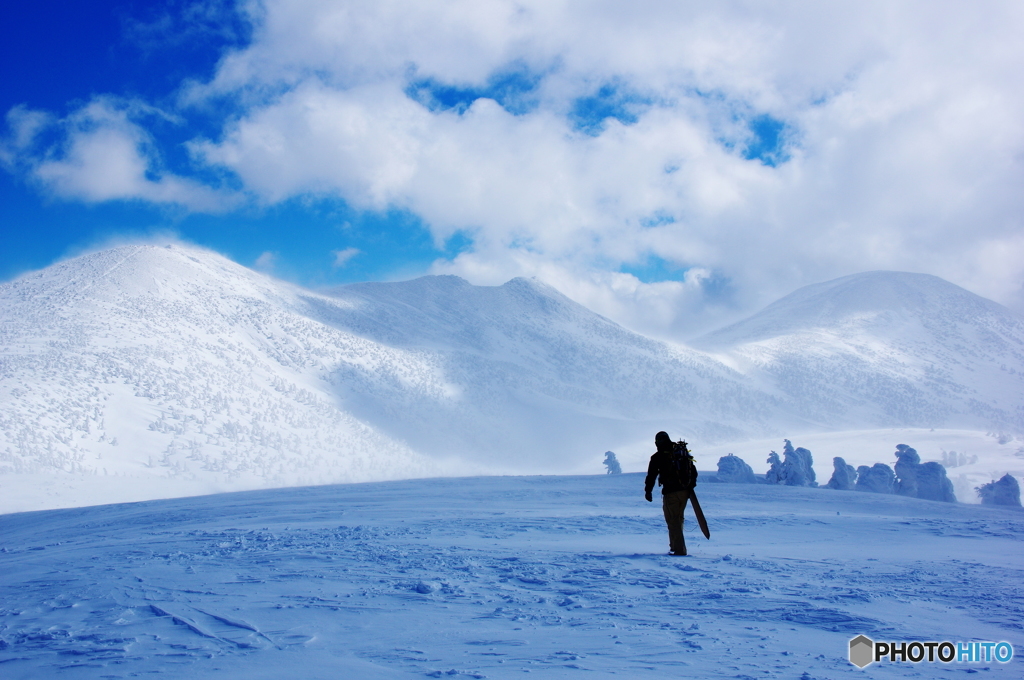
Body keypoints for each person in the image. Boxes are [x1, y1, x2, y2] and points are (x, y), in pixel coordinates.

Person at [644, 431, 698, 555]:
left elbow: (651, 475)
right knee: (678, 518)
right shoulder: (680, 452)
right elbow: (693, 470)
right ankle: (674, 546)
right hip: (685, 492)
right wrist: (690, 486)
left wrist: (648, 491)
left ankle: (679, 549)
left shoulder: (657, 456)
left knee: (673, 520)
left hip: (670, 493)